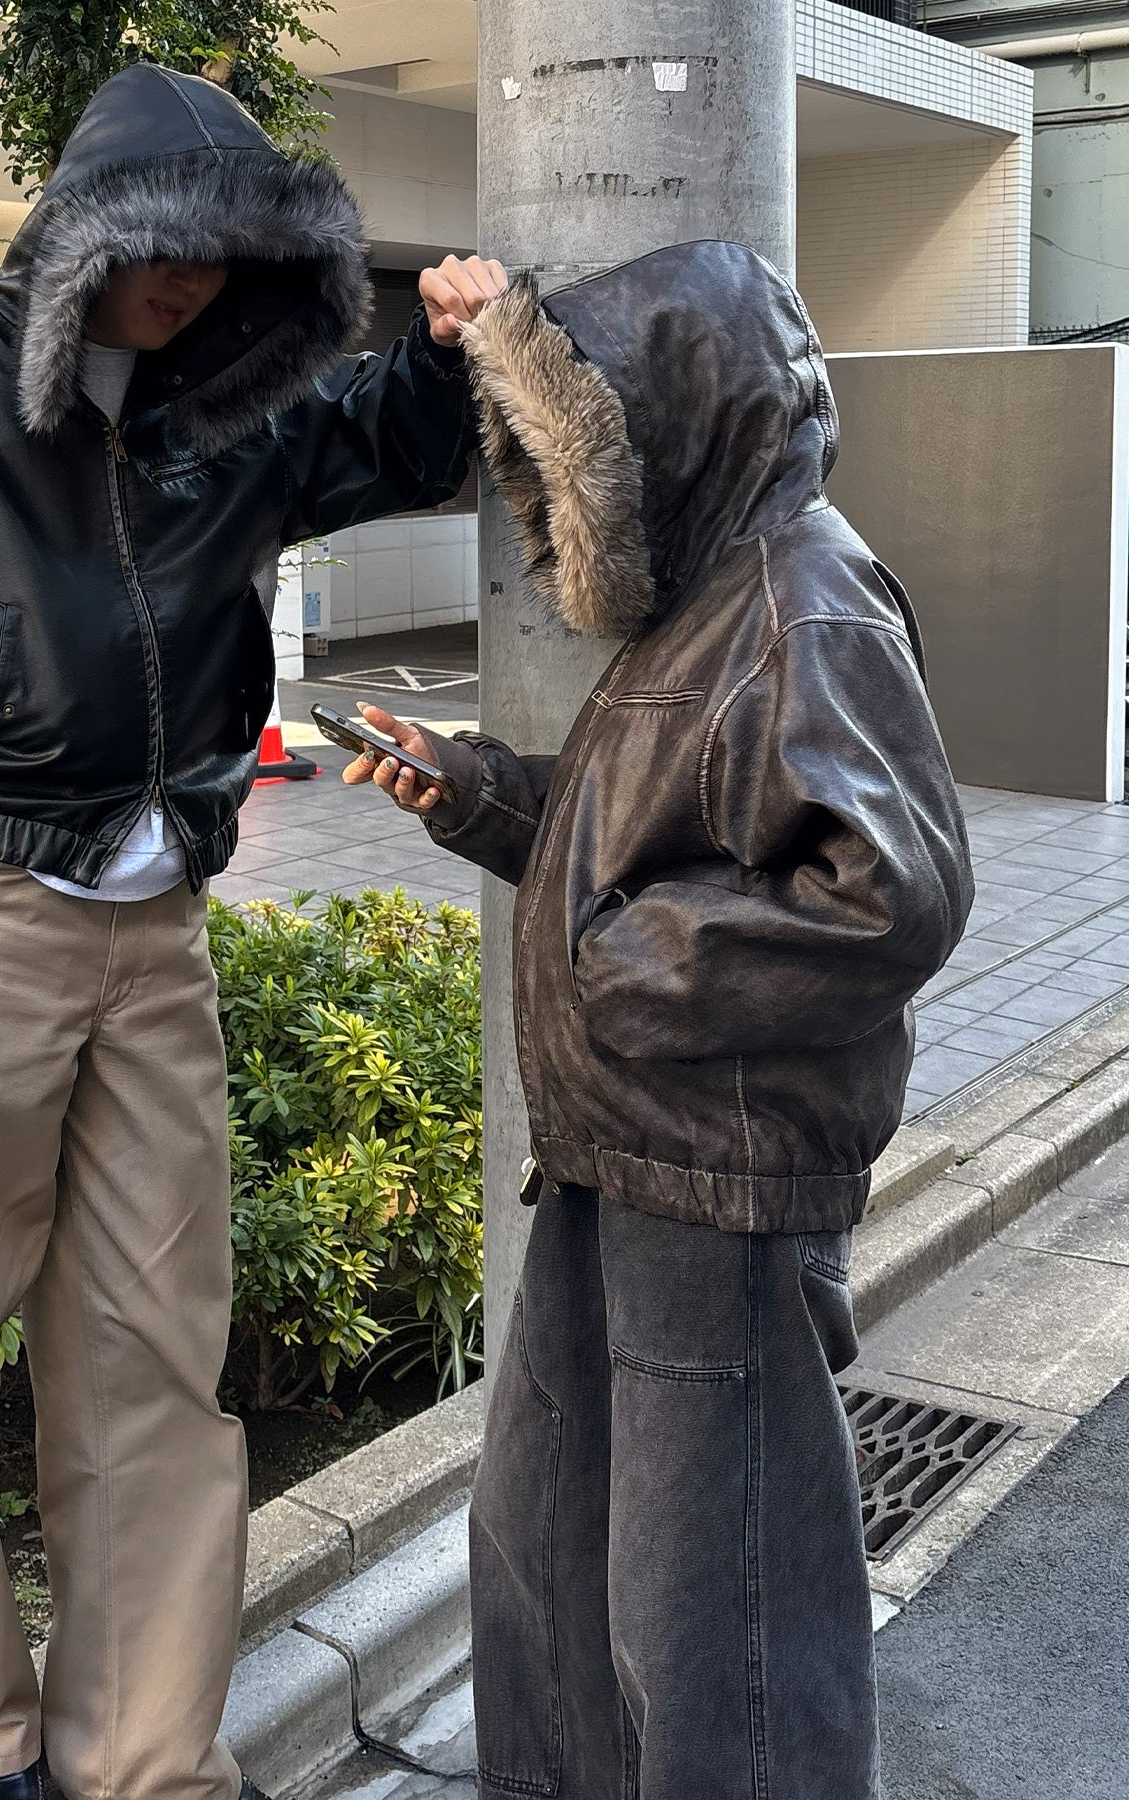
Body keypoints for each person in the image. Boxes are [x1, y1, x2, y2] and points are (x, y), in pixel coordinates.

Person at [0, 62, 504, 1800]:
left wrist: (451, 345)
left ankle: (145, 1760)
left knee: (157, 1358)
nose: (194, 282)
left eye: (228, 255)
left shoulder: (233, 400)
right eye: (168, 248)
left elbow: (389, 438)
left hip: (155, 937)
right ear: (88, 235)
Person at [346, 240, 973, 1800]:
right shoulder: (713, 600)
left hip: (717, 1184)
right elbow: (634, 842)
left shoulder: (806, 600)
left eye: (586, 456)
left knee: (720, 1616)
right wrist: (473, 791)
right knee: (552, 1548)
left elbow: (892, 893)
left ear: (682, 423)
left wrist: (622, 965)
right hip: (630, 1159)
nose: (574, 504)